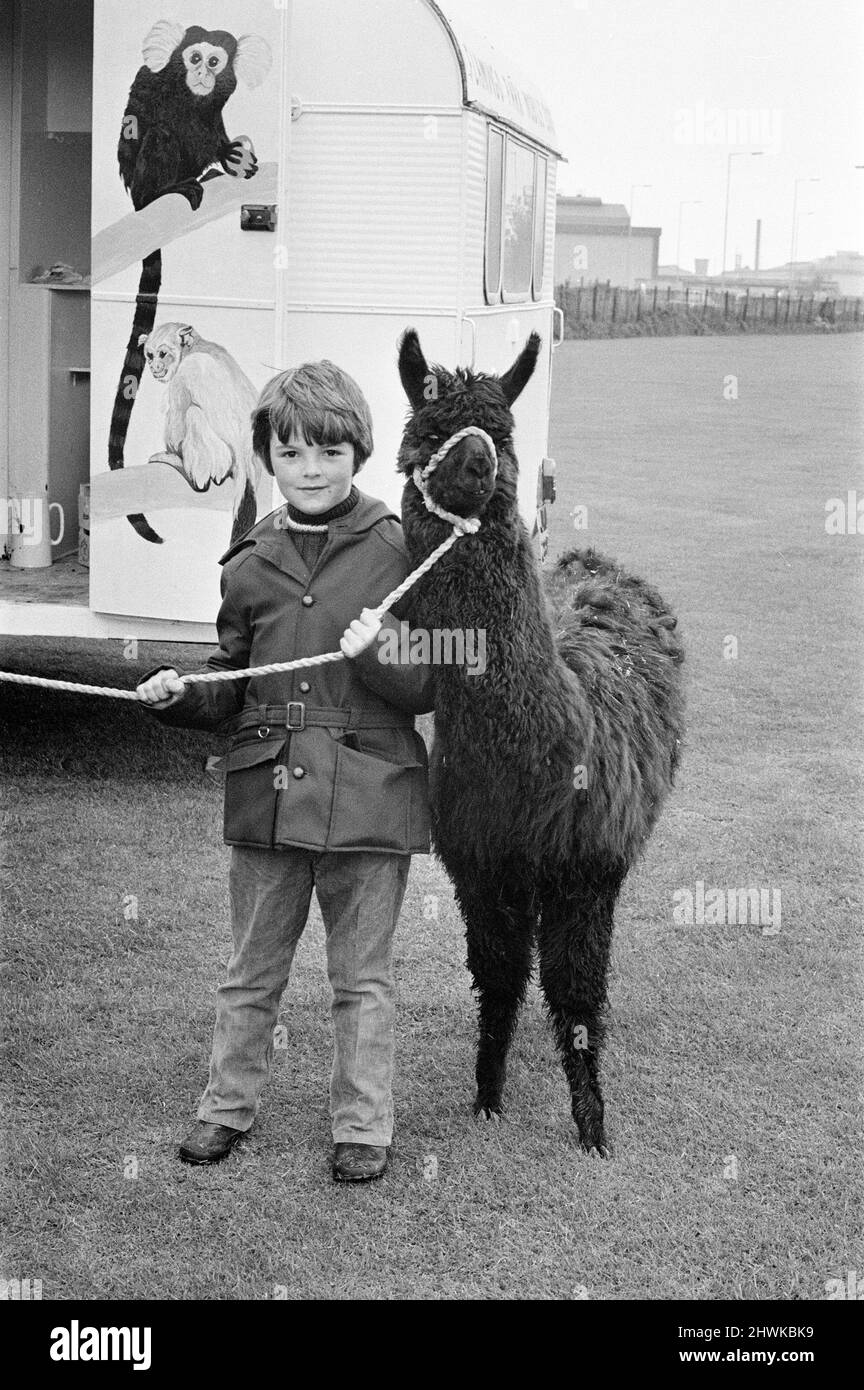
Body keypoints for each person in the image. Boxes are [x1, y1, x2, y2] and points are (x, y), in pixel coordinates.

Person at [136, 360, 433, 1182]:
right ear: (268, 456)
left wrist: (382, 654)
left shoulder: (401, 550)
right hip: (267, 794)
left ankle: (364, 1128)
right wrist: (178, 695)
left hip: (372, 795)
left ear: (358, 453)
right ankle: (224, 1109)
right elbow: (231, 678)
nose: (310, 470)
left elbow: (433, 681)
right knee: (250, 972)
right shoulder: (250, 560)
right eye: (293, 453)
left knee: (361, 977)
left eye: (329, 453)